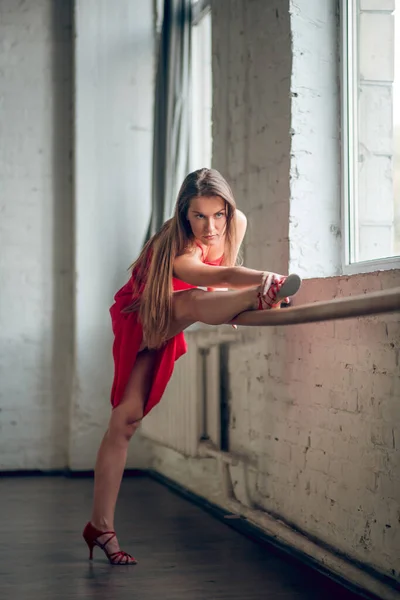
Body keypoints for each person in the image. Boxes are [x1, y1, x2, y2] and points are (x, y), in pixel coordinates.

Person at [82, 168, 301, 565]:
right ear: (185, 214)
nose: (211, 226)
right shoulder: (182, 250)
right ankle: (101, 526)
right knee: (123, 421)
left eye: (218, 214)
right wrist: (265, 282)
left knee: (126, 420)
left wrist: (239, 296)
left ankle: (100, 527)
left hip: (179, 311)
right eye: (199, 216)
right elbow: (224, 275)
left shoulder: (237, 223)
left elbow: (225, 273)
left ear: (228, 208)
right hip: (143, 317)